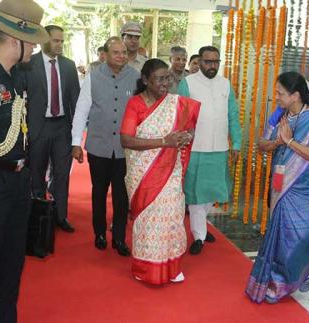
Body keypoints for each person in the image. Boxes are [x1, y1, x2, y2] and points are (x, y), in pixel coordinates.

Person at [245, 71, 309, 304]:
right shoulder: (279, 116)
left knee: (299, 237)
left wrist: (290, 142)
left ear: (296, 95)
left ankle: (300, 270)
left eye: (281, 93)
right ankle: (277, 282)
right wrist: (278, 142)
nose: (277, 97)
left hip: (308, 188)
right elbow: (262, 145)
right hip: (282, 184)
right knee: (280, 235)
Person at [0, 0, 49, 321]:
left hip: (17, 183)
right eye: (32, 43)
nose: (35, 49)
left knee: (12, 267)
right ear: (15, 40)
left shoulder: (17, 77)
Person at [120, 59, 200, 284]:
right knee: (149, 220)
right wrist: (164, 141)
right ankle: (146, 268)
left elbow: (189, 129)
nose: (165, 83)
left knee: (172, 216)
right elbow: (126, 139)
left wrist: (187, 137)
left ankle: (172, 266)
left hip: (170, 170)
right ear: (146, 80)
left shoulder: (176, 104)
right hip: (143, 173)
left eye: (168, 78)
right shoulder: (135, 104)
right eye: (160, 79)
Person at [71, 36, 140, 257]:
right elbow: (81, 110)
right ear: (106, 54)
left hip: (124, 149)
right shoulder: (93, 77)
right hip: (98, 146)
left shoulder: (136, 78)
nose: (121, 56)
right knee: (98, 192)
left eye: (124, 53)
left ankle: (119, 237)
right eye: (116, 53)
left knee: (122, 196)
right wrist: (75, 143)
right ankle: (99, 233)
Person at [178, 45, 242, 255]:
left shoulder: (225, 84)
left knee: (214, 190)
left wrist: (237, 143)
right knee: (196, 193)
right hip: (196, 147)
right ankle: (199, 236)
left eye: (216, 61)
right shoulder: (188, 83)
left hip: (220, 148)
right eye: (208, 61)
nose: (212, 65)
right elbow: (180, 116)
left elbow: (233, 115)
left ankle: (201, 227)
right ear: (200, 61)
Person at [24, 25, 80, 233]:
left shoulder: (68, 66)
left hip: (62, 128)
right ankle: (38, 217)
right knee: (36, 173)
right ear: (44, 40)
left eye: (62, 41)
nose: (60, 44)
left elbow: (75, 99)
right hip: (38, 127)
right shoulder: (29, 64)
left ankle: (60, 216)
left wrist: (76, 134)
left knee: (62, 174)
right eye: (56, 40)